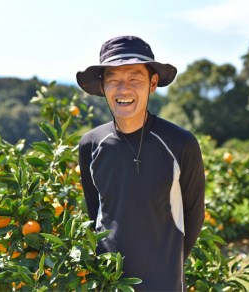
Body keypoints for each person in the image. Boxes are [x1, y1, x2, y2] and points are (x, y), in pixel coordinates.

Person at [76, 35, 205, 291]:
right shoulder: (90, 145)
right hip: (109, 283)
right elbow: (96, 215)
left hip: (164, 283)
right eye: (113, 80)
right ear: (102, 86)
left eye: (134, 78)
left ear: (153, 83)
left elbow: (194, 216)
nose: (123, 89)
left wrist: (168, 264)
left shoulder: (180, 144)